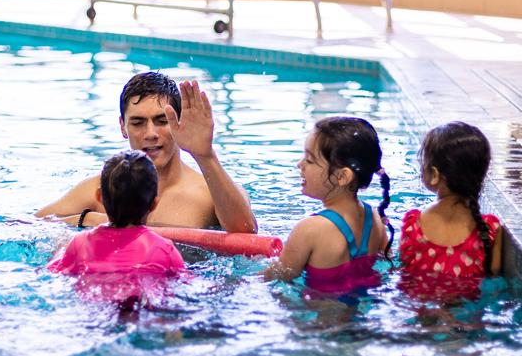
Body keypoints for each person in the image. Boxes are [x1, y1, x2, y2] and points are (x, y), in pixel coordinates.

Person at [35, 72, 256, 234]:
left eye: (162, 121)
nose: (150, 134)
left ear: (178, 123)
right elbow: (30, 225)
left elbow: (246, 232)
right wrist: (87, 219)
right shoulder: (103, 188)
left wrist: (205, 156)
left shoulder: (209, 192)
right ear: (123, 126)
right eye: (138, 122)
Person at [263, 117, 391, 295]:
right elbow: (388, 263)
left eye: (309, 160)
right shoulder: (376, 220)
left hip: (319, 318)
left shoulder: (310, 229)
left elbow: (277, 276)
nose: (299, 165)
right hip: (362, 311)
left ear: (342, 176)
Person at [48, 150, 186, 305]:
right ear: (154, 203)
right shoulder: (163, 249)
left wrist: (59, 249)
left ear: (99, 197)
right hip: (143, 307)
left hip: (94, 308)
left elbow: (53, 272)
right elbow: (185, 282)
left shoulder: (79, 244)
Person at [398, 122, 502, 302]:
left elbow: (404, 268)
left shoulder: (413, 223)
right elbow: (494, 274)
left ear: (435, 174)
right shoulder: (490, 228)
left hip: (421, 313)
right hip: (467, 318)